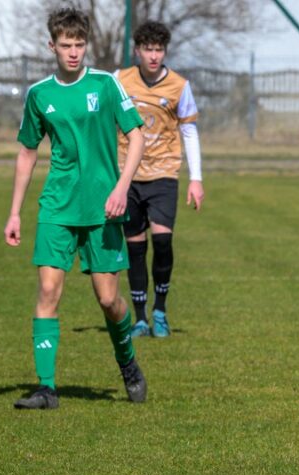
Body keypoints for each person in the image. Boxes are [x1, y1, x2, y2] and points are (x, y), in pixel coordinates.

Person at [4, 7, 147, 410]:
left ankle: (128, 362)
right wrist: (15, 212)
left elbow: (136, 138)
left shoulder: (105, 85)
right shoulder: (39, 95)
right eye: (65, 45)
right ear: (52, 46)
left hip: (104, 208)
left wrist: (122, 187)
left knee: (108, 300)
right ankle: (47, 388)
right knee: (48, 289)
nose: (73, 52)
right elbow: (27, 153)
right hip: (56, 207)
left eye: (79, 44)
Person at [116, 20, 204, 338]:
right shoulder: (120, 81)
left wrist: (196, 179)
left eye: (159, 49)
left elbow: (189, 131)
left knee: (163, 241)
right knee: (135, 246)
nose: (153, 56)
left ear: (165, 51)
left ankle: (161, 311)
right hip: (128, 176)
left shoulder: (179, 85)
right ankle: (140, 318)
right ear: (137, 50)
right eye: (148, 49)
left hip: (164, 174)